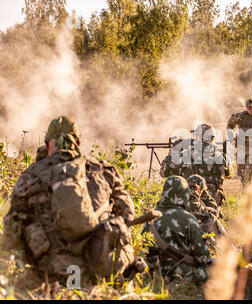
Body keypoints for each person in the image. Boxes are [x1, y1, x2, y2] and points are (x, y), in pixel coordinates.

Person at [3, 116, 145, 286]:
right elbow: (128, 215)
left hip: (50, 275)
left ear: (48, 143)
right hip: (100, 272)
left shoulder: (31, 176)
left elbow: (11, 227)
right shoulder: (105, 171)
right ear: (78, 142)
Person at [143, 176, 211, 285]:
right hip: (182, 276)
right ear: (184, 194)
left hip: (154, 276)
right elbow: (203, 257)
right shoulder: (188, 219)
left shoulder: (149, 216)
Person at [160, 123, 233, 206]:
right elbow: (230, 175)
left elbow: (164, 172)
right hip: (214, 204)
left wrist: (171, 154)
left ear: (198, 137)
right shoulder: (223, 157)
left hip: (190, 204)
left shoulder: (186, 155)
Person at [186, 174, 227, 245]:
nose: (192, 189)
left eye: (193, 187)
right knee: (212, 219)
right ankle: (228, 248)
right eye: (190, 187)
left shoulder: (178, 196)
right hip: (192, 236)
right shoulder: (193, 199)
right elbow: (213, 213)